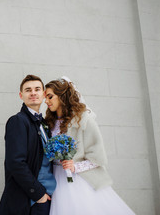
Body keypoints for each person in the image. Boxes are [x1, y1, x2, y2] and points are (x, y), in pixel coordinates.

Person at [44, 77, 135, 215]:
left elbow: (98, 158)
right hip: (54, 179)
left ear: (62, 96)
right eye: (46, 98)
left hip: (77, 180)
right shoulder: (47, 123)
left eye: (50, 97)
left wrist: (74, 166)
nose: (46, 101)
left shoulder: (84, 120)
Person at [0, 75, 56, 215]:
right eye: (28, 90)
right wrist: (39, 194)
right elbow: (16, 163)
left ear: (43, 94)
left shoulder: (45, 124)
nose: (33, 93)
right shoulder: (18, 121)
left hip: (48, 197)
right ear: (21, 95)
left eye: (37, 89)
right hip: (31, 200)